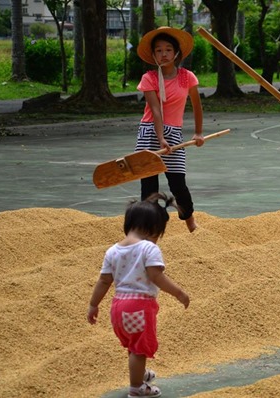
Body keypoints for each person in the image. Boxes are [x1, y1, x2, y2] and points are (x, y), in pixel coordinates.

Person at [87, 193, 190, 398]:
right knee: (139, 349)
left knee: (134, 346)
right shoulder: (148, 248)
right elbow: (156, 276)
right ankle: (136, 388)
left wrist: (93, 305)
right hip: (139, 307)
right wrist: (179, 293)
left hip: (117, 307)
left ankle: (140, 373)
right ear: (153, 230)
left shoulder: (112, 251)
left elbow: (104, 281)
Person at [135, 26, 204, 233]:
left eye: (167, 49)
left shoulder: (187, 77)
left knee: (177, 183)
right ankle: (149, 229)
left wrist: (198, 133)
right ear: (154, 55)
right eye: (158, 50)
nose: (163, 54)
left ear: (176, 53)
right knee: (149, 185)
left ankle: (190, 222)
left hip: (174, 134)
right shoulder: (149, 78)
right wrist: (159, 137)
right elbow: (156, 110)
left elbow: (197, 105)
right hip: (149, 133)